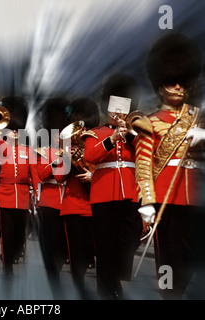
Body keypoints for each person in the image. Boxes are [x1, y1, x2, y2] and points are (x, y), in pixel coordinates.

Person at [134, 33, 204, 299]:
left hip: (196, 196)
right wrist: (147, 202)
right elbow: (143, 164)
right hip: (166, 196)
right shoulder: (148, 123)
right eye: (172, 82)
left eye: (182, 82)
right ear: (160, 85)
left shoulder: (199, 118)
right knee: (170, 259)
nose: (178, 87)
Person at [83, 74, 142, 299]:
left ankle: (115, 279)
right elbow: (91, 155)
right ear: (107, 108)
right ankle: (106, 291)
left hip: (129, 194)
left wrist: (133, 135)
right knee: (105, 247)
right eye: (114, 108)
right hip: (103, 196)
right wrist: (113, 138)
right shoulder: (95, 133)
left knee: (129, 240)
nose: (118, 113)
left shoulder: (135, 135)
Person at [56, 98, 99, 299]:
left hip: (96, 204)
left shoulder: (98, 141)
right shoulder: (66, 147)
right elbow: (58, 177)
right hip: (73, 206)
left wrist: (93, 176)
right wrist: (67, 156)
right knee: (76, 257)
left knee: (92, 251)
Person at [0, 96, 40, 278]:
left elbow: (34, 175)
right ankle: (7, 266)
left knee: (19, 235)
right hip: (4, 194)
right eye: (11, 130)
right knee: (6, 233)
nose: (14, 133)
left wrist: (37, 193)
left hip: (22, 196)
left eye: (16, 130)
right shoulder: (0, 147)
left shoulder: (27, 151)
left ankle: (13, 255)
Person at [35, 97, 69, 298]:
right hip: (49, 201)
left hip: (68, 201)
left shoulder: (72, 150)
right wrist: (57, 160)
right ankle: (51, 278)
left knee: (63, 246)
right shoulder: (43, 151)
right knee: (50, 243)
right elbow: (42, 174)